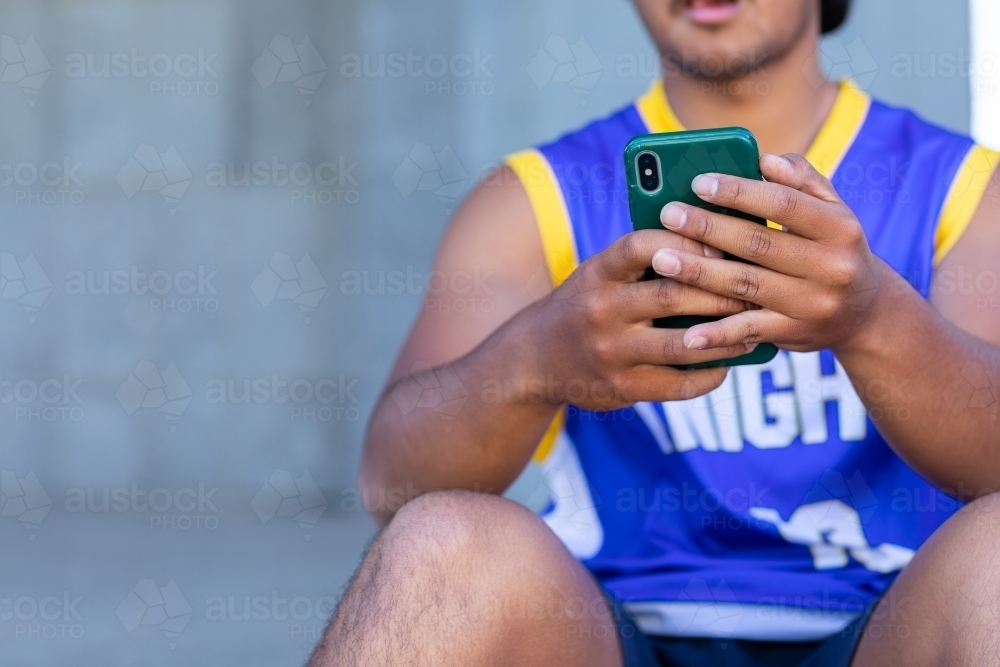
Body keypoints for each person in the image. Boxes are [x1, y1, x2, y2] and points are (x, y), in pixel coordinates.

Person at [310, 0, 1000, 664]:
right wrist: (535, 360)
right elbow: (392, 484)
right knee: (441, 542)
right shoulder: (540, 196)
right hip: (609, 632)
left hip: (886, 629)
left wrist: (875, 319)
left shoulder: (959, 188)